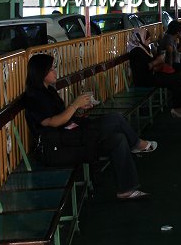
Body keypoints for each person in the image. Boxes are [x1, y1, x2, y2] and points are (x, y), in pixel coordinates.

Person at [23, 54, 155, 201]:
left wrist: (79, 109)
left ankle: (126, 189)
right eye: (51, 69)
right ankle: (137, 144)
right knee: (115, 119)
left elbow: (64, 117)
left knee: (118, 139)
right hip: (56, 148)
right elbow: (53, 122)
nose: (55, 72)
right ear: (41, 72)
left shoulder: (49, 91)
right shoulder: (33, 97)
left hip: (70, 138)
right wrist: (75, 105)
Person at [127, 28, 181, 118]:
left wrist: (157, 61)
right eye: (147, 38)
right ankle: (176, 108)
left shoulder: (143, 48)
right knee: (174, 79)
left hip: (151, 76)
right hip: (144, 80)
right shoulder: (136, 52)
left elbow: (150, 65)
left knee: (175, 77)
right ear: (140, 38)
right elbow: (143, 69)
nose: (148, 41)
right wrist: (156, 61)